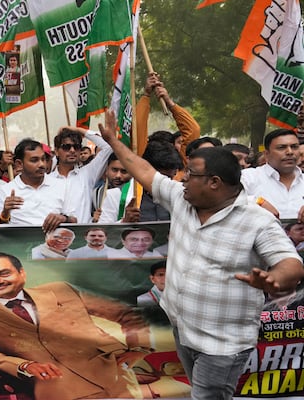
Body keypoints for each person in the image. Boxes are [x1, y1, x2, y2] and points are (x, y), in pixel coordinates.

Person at [98, 110, 304, 399]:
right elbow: (144, 171)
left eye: (191, 175)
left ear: (215, 182)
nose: (182, 180)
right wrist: (113, 142)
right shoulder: (182, 200)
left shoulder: (257, 220)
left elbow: (290, 263)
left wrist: (275, 278)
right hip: (184, 329)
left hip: (222, 345)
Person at [0, 252, 151, 400]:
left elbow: (126, 313)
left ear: (22, 273)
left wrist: (140, 348)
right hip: (55, 389)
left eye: (4, 273)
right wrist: (24, 366)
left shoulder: (60, 289)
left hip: (115, 379)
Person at [0, 139, 77, 232]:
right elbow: (0, 231)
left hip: (55, 244)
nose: (41, 164)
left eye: (43, 159)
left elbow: (74, 220)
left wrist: (63, 218)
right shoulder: (6, 191)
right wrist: (5, 213)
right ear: (19, 164)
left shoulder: (61, 186)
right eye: (34, 160)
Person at [98, 140, 181, 223]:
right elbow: (103, 232)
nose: (164, 183)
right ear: (147, 169)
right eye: (159, 178)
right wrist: (124, 222)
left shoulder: (181, 194)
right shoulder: (116, 195)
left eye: (169, 178)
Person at [49, 126, 113, 223]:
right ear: (57, 151)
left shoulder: (87, 174)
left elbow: (108, 147)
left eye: (76, 147)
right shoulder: (47, 180)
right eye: (66, 147)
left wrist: (77, 130)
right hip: (54, 236)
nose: (72, 150)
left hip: (83, 235)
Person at [241, 129, 304, 220]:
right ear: (266, 154)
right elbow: (228, 202)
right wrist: (258, 202)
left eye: (294, 147)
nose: (290, 152)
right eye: (281, 147)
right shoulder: (249, 177)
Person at [91, 154, 132, 222]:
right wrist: (94, 220)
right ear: (106, 170)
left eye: (124, 171)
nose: (118, 175)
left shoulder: (135, 192)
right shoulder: (97, 194)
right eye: (114, 170)